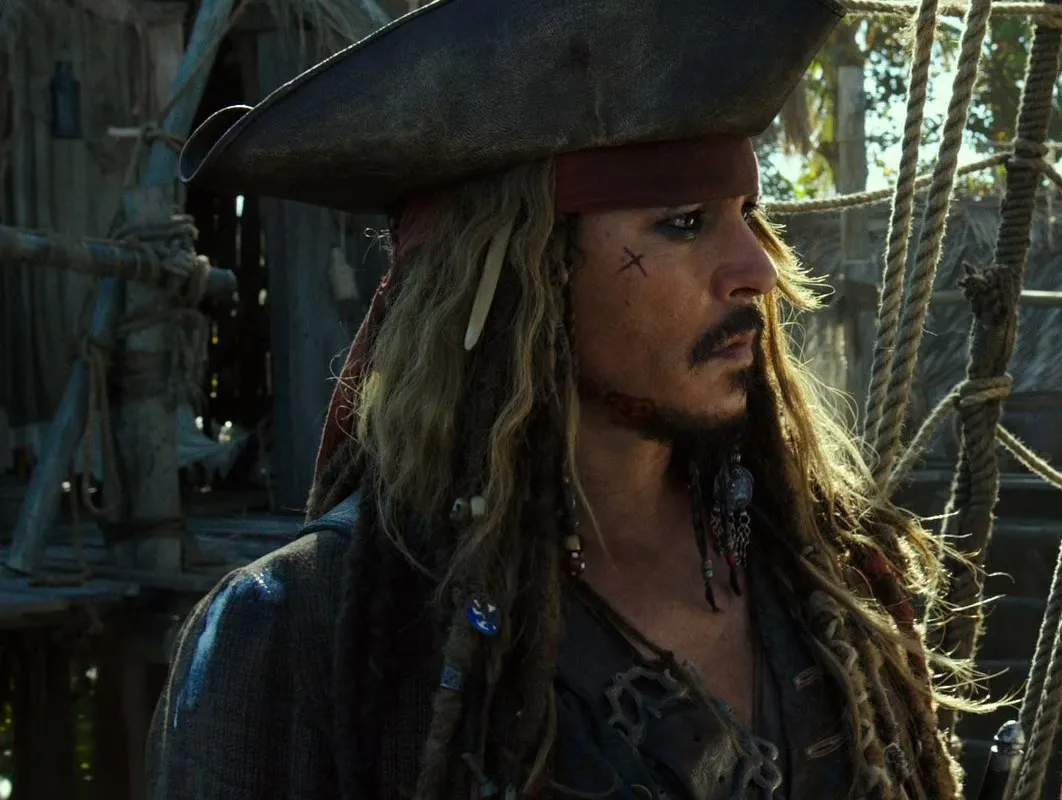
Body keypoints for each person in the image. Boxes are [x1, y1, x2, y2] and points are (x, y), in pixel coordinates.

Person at [146, 1, 967, 798]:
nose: (756, 268)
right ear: (520, 274)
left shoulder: (828, 576)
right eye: (683, 224)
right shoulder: (301, 633)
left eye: (747, 214)